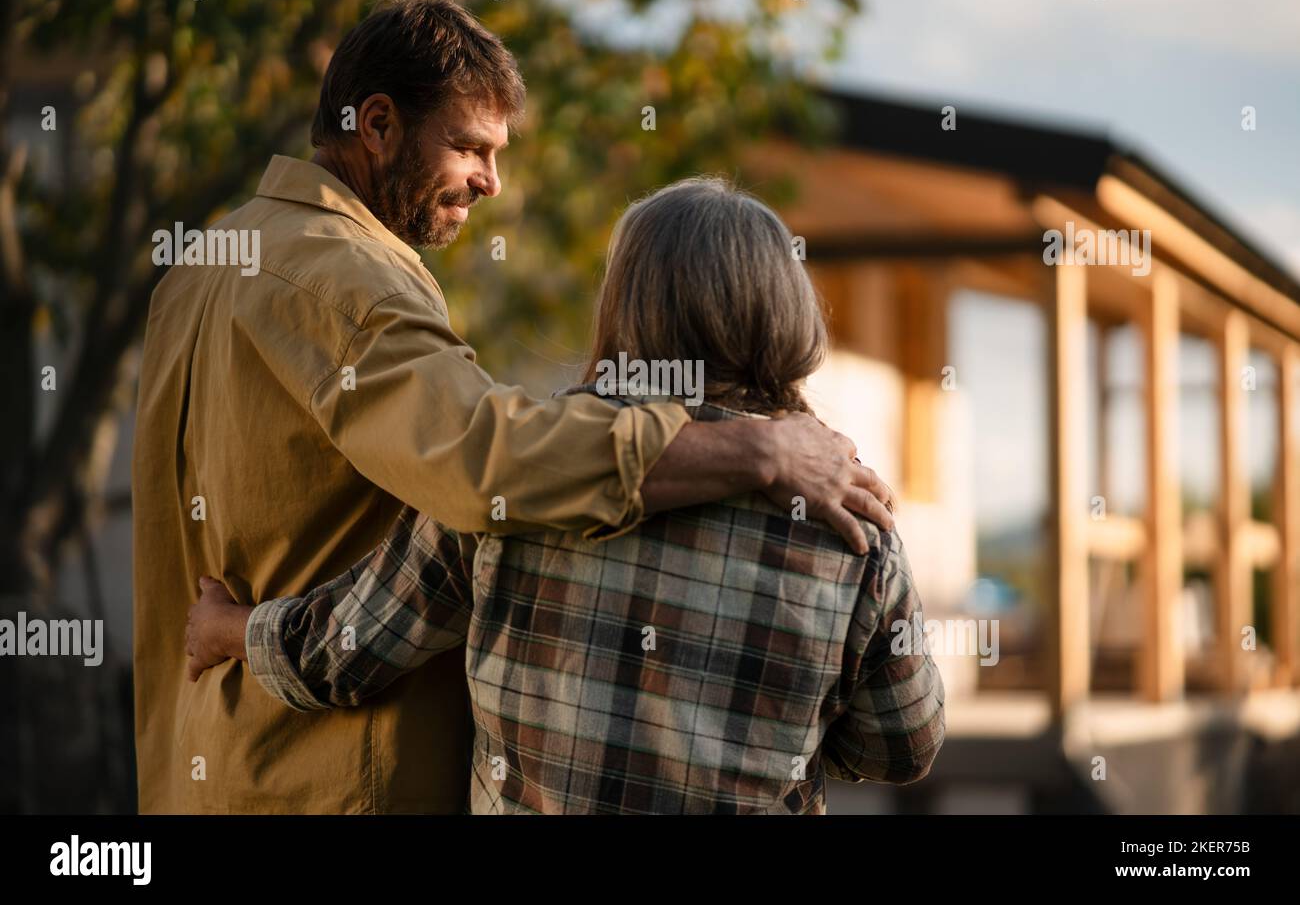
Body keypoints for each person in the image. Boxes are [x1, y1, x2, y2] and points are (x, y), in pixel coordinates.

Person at [134, 0, 894, 813]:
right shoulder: (348, 281)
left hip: (206, 765)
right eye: (469, 146)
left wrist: (240, 632)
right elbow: (485, 459)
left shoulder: (205, 265)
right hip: (330, 779)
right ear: (377, 124)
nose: (492, 181)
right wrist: (763, 451)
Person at [186, 177, 945, 814]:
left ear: (626, 305)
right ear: (788, 316)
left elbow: (344, 650)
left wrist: (230, 629)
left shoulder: (526, 477)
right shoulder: (850, 521)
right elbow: (904, 745)